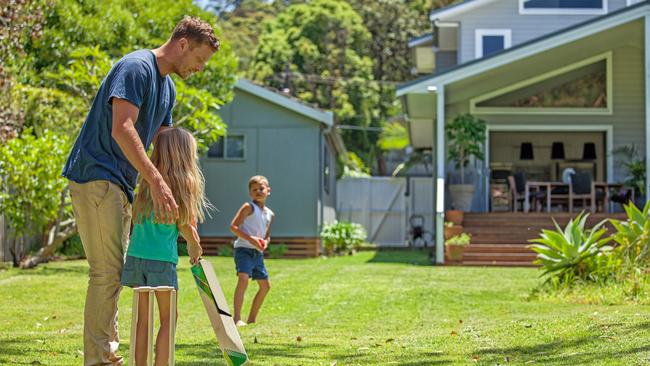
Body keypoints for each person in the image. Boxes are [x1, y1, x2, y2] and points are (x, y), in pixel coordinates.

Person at [61, 16, 220, 365]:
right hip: (96, 174)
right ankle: (101, 358)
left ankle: (108, 354)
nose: (199, 68)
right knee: (106, 272)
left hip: (121, 183)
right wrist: (156, 182)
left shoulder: (169, 89)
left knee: (112, 272)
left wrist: (179, 189)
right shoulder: (136, 68)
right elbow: (122, 128)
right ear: (182, 44)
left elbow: (163, 149)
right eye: (200, 59)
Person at [120, 127, 208, 366]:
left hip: (136, 257)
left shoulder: (148, 181)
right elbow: (184, 224)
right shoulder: (183, 183)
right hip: (162, 261)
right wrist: (194, 246)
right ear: (184, 155)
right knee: (169, 319)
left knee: (142, 320)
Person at [229, 175, 275, 327]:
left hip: (257, 253)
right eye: (254, 189)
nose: (258, 191)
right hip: (244, 249)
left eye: (261, 188)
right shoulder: (248, 207)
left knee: (265, 286)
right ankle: (236, 319)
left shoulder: (270, 214)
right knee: (243, 279)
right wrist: (252, 240)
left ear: (268, 190)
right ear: (250, 193)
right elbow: (233, 227)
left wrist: (264, 243)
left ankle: (252, 319)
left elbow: (267, 236)